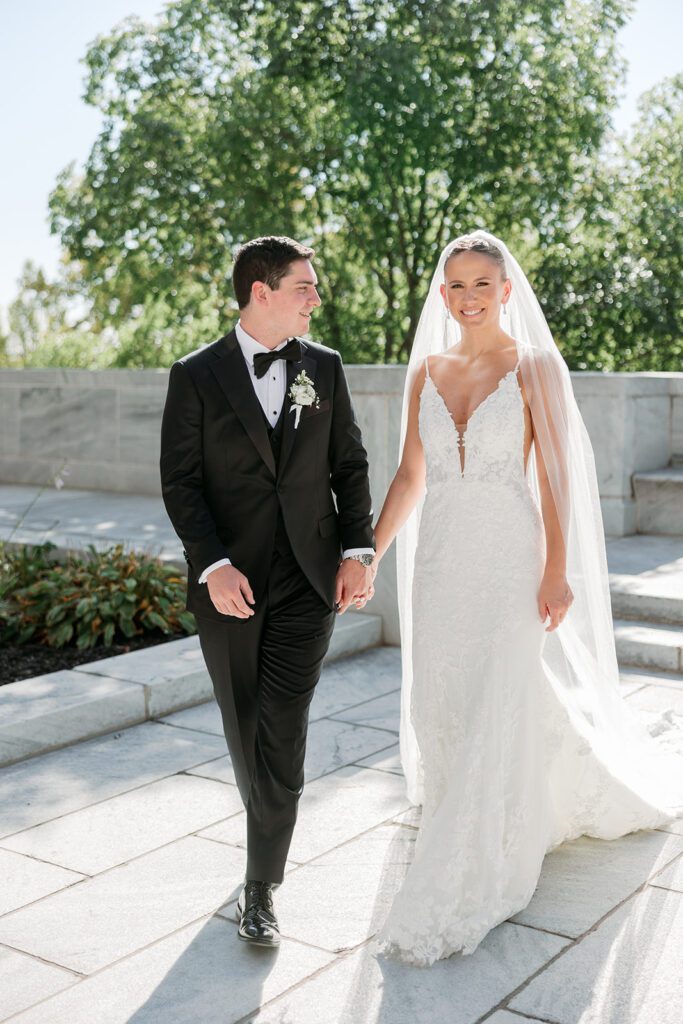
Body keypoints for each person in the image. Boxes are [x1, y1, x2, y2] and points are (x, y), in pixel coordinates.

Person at [370, 230, 683, 966]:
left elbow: (554, 477)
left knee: (500, 690)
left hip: (510, 556)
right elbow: (410, 477)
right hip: (442, 559)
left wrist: (556, 567)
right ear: (441, 295)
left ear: (506, 290)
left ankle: (482, 847)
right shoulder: (426, 373)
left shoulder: (533, 365)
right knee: (446, 694)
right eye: (456, 285)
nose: (469, 297)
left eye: (482, 282)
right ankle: (461, 803)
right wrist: (368, 551)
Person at [160, 236, 375, 947]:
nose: (317, 298)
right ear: (261, 291)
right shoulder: (195, 375)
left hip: (309, 581)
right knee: (242, 723)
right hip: (230, 586)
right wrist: (212, 565)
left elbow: (348, 462)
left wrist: (357, 550)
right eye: (305, 287)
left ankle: (261, 887)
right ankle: (264, 838)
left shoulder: (326, 368)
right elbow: (181, 484)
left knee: (280, 728)